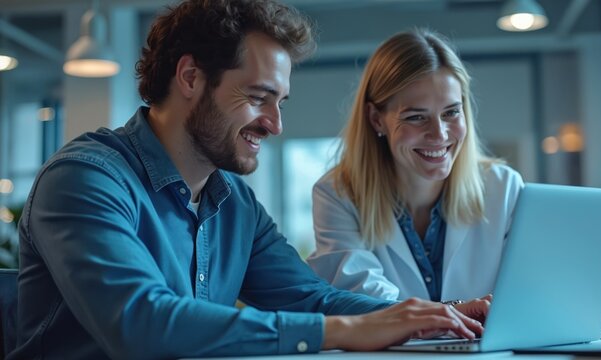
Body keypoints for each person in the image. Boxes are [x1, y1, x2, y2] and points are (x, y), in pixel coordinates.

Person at [9, 2, 488, 359]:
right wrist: (338, 331)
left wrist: (435, 315)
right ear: (191, 77)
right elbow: (140, 323)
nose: (275, 124)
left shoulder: (233, 201)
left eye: (281, 102)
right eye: (259, 97)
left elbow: (311, 296)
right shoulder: (86, 179)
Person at [307, 29, 524, 304]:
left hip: (494, 348)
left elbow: (529, 289)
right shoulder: (337, 195)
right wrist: (451, 315)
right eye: (416, 117)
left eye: (451, 112)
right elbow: (362, 300)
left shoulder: (504, 187)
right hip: (390, 349)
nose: (440, 134)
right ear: (376, 119)